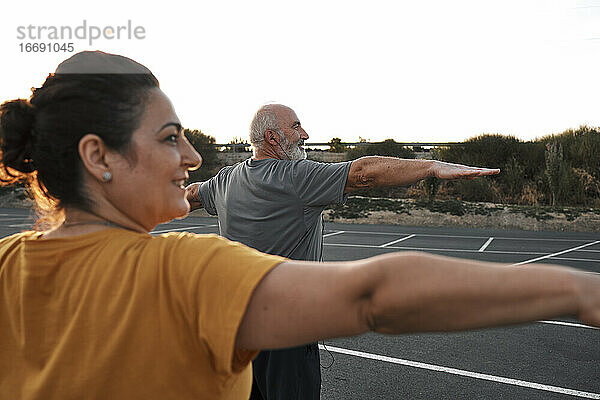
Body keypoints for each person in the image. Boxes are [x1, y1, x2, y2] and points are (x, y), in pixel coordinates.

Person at [0, 51, 599, 400]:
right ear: (97, 158)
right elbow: (374, 290)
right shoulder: (187, 268)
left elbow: (197, 191)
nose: (190, 155)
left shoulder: (8, 265)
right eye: (170, 137)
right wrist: (576, 289)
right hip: (271, 326)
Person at [184, 104, 501, 399]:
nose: (305, 135)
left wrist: (152, 204)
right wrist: (431, 166)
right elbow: (365, 173)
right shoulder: (298, 177)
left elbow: (194, 194)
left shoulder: (225, 180)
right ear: (272, 137)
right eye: (297, 127)